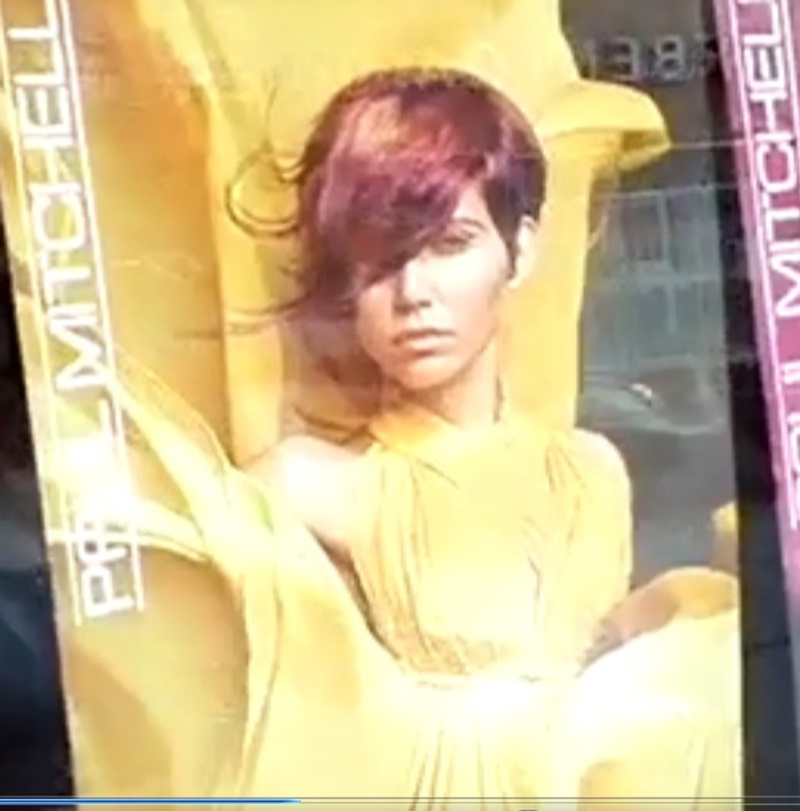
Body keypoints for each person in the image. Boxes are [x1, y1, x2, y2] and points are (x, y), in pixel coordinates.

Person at [37, 67, 740, 805]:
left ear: (521, 248)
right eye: (377, 262)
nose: (412, 294)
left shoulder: (593, 470)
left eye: (450, 243)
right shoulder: (309, 486)